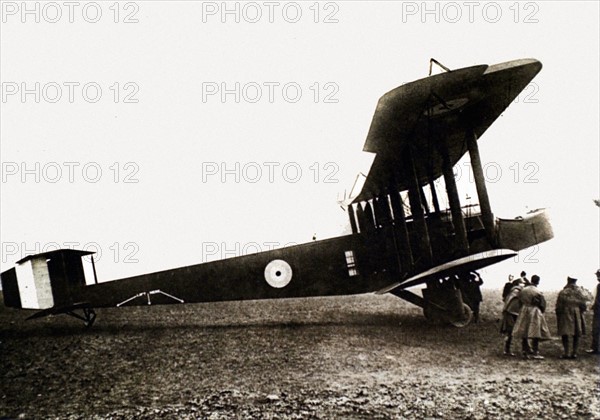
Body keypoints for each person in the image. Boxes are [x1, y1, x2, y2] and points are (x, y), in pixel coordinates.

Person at [512, 275, 551, 359]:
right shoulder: (538, 291)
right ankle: (535, 352)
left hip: (524, 309)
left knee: (524, 330)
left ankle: (524, 351)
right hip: (534, 310)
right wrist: (541, 310)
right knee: (535, 331)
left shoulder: (523, 290)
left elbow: (519, 301)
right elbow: (542, 304)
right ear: (538, 281)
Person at [555, 277, 592, 359]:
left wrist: (558, 314)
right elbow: (584, 305)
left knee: (565, 333)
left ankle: (566, 352)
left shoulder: (563, 292)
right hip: (577, 313)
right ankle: (574, 352)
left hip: (565, 313)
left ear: (568, 280)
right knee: (576, 333)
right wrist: (581, 311)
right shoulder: (580, 292)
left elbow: (559, 305)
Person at [500, 278, 524, 356]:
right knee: (510, 331)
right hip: (511, 313)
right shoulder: (516, 291)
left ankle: (508, 349)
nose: (523, 284)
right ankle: (507, 349)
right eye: (522, 283)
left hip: (512, 312)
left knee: (510, 331)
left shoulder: (515, 291)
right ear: (518, 283)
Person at [586, 269, 600, 354]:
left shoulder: (599, 286)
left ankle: (595, 348)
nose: (598, 277)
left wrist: (593, 306)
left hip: (598, 312)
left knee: (596, 329)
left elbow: (597, 300)